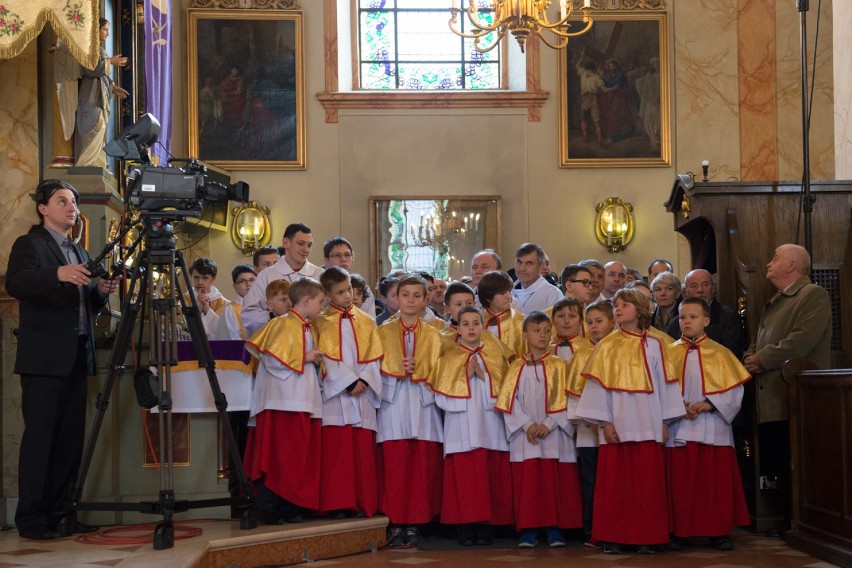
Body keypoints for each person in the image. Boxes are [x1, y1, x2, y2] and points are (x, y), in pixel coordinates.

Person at [8, 179, 120, 540]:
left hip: (76, 356)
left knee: (70, 440)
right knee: (41, 439)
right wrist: (57, 274)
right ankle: (32, 519)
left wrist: (100, 292)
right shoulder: (31, 244)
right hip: (44, 359)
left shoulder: (80, 251)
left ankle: (62, 514)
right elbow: (17, 283)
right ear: (43, 209)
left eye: (73, 201)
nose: (72, 207)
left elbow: (84, 304)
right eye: (62, 201)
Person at [575, 288, 684, 554]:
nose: (617, 309)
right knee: (616, 484)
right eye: (616, 305)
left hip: (649, 422)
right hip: (618, 425)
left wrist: (666, 422)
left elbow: (666, 386)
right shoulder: (607, 345)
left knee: (647, 484)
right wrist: (605, 423)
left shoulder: (656, 345)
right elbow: (599, 388)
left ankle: (647, 536)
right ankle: (614, 536)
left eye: (624, 305)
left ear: (639, 309)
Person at [743, 244, 831, 535]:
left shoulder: (812, 295)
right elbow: (760, 339)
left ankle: (801, 521)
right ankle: (788, 519)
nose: (769, 262)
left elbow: (800, 340)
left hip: (792, 396)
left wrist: (762, 359)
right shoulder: (777, 300)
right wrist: (750, 357)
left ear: (792, 265)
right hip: (770, 397)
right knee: (778, 460)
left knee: (793, 460)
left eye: (775, 258)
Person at [666, 297, 751, 551]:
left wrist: (710, 404)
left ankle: (718, 532)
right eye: (682, 317)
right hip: (678, 427)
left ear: (706, 321)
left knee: (714, 482)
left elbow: (735, 391)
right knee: (681, 483)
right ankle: (680, 531)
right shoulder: (668, 353)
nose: (687, 321)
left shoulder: (721, 353)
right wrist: (677, 408)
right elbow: (661, 389)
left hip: (713, 427)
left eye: (693, 317)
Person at [243, 277, 326, 524]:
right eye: (320, 301)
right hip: (282, 402)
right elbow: (270, 360)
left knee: (297, 459)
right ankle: (272, 509)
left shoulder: (309, 327)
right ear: (306, 300)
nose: (323, 307)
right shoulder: (281, 324)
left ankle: (290, 507)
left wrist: (314, 359)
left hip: (302, 400)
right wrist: (305, 356)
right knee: (281, 458)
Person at [496, 311, 581, 548]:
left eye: (546, 330)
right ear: (525, 335)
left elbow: (567, 399)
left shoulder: (560, 365)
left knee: (554, 483)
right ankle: (529, 529)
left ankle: (555, 529)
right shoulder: (515, 367)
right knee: (529, 484)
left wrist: (549, 424)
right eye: (536, 330)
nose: (542, 335)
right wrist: (528, 424)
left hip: (554, 436)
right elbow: (508, 402)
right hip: (527, 437)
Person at [429, 306, 513, 546]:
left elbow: (506, 395)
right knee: (464, 482)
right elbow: (441, 399)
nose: (471, 328)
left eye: (476, 323)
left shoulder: (496, 357)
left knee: (489, 477)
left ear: (483, 326)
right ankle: (465, 528)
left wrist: (484, 378)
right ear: (458, 328)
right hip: (460, 428)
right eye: (465, 324)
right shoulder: (448, 359)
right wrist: (465, 377)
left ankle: (487, 528)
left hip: (490, 426)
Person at [376, 275, 444, 548]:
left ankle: (415, 522)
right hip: (393, 404)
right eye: (406, 295)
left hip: (422, 404)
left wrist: (422, 370)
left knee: (419, 466)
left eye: (418, 295)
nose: (411, 300)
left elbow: (442, 373)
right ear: (396, 297)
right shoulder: (381, 332)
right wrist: (394, 373)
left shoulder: (434, 334)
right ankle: (394, 520)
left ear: (426, 299)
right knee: (395, 464)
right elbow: (372, 368)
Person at [314, 267, 384, 517]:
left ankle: (362, 502)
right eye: (340, 292)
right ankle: (337, 504)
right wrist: (347, 382)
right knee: (338, 452)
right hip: (336, 395)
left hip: (363, 393)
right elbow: (324, 357)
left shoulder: (367, 320)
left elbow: (375, 355)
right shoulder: (320, 321)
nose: (347, 296)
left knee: (361, 451)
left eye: (349, 290)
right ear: (327, 294)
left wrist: (364, 379)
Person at [565, 299, 616, 546]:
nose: (594, 327)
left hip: (617, 430)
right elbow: (574, 396)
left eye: (599, 321)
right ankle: (591, 529)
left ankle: (614, 527)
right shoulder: (581, 353)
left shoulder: (619, 350)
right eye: (590, 322)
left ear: (612, 322)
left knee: (614, 482)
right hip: (588, 432)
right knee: (591, 481)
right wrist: (592, 420)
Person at [242, 223, 323, 334]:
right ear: (286, 242)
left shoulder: (319, 275)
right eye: (301, 243)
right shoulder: (267, 275)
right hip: (279, 342)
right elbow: (249, 315)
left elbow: (329, 311)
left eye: (309, 245)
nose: (306, 249)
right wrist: (275, 317)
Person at [74, 18, 128, 168]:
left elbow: (101, 75)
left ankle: (96, 161)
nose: (108, 33)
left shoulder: (100, 50)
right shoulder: (88, 48)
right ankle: (85, 163)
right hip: (90, 95)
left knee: (101, 127)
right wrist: (110, 61)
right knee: (92, 125)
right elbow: (90, 69)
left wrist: (112, 86)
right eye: (105, 29)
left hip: (99, 96)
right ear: (95, 30)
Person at [665, 269, 746, 358]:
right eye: (694, 286)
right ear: (685, 291)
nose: (700, 290)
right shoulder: (676, 322)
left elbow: (731, 355)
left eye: (705, 285)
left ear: (713, 288)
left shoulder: (729, 317)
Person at [323, 237, 376, 319]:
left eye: (347, 255)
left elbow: (370, 322)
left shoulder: (362, 289)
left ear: (353, 259)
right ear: (326, 261)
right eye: (337, 255)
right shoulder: (318, 287)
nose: (343, 259)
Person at [479, 270, 527, 358]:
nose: (509, 296)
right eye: (502, 293)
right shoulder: (477, 323)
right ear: (488, 297)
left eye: (509, 291)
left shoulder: (522, 321)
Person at [512, 243, 563, 314]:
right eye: (519, 262)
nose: (522, 268)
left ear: (540, 266)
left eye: (529, 263)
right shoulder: (507, 292)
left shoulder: (552, 294)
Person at [186, 257, 229, 340]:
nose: (200, 282)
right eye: (196, 277)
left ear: (213, 279)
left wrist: (207, 311)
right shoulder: (182, 301)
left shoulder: (225, 304)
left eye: (205, 278)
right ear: (191, 277)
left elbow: (224, 332)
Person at [217, 264, 256, 340]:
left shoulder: (265, 305)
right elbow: (232, 340)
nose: (248, 284)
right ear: (235, 286)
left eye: (252, 280)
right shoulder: (231, 310)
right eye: (242, 281)